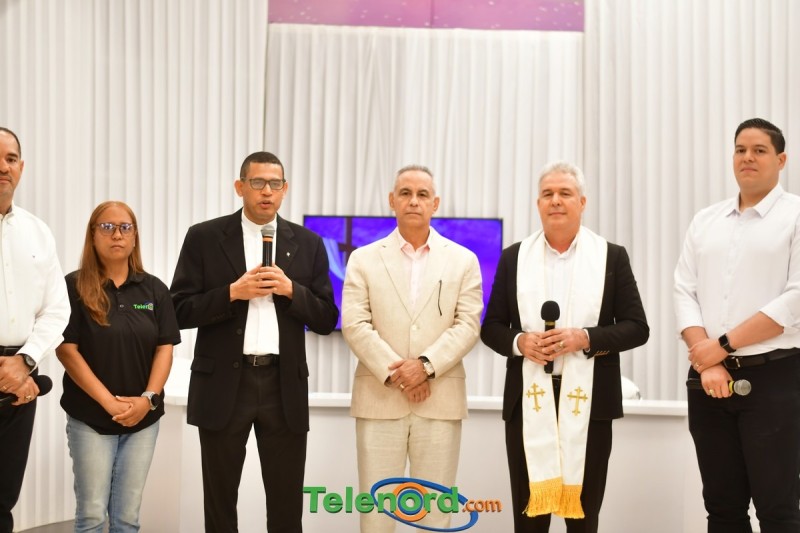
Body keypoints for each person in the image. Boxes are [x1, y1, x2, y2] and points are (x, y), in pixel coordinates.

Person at [170, 151, 338, 533]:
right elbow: (177, 311)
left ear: (285, 189)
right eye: (258, 182)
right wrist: (232, 292)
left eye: (275, 184)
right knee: (219, 503)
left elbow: (327, 318)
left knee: (286, 506)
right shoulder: (204, 237)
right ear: (240, 186)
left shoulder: (309, 243)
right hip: (224, 385)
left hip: (283, 386)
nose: (267, 192)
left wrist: (292, 291)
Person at [481, 161, 649, 533]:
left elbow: (637, 328)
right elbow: (491, 328)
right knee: (529, 520)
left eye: (565, 193)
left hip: (591, 402)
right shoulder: (514, 257)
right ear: (538, 203)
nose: (555, 200)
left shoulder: (610, 257)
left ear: (582, 202)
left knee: (583, 520)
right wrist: (520, 342)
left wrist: (585, 338)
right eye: (548, 194)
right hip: (527, 400)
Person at [674, 118, 800, 532]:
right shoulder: (706, 220)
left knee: (778, 511)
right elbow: (683, 290)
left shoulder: (795, 215)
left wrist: (722, 345)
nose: (748, 157)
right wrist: (708, 360)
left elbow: (795, 299)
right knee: (722, 510)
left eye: (759, 150)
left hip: (775, 379)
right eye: (740, 149)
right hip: (708, 379)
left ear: (781, 160)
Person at [341, 165, 483, 533]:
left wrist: (425, 366)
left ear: (435, 203)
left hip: (439, 399)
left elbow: (468, 324)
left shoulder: (463, 260)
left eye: (422, 194)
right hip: (380, 398)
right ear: (392, 201)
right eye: (405, 193)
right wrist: (401, 374)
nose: (414, 201)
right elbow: (355, 323)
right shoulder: (363, 258)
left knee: (436, 515)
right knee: (376, 515)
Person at [55, 201, 180, 532]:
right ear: (93, 235)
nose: (117, 235)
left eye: (125, 227)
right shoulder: (72, 287)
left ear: (135, 236)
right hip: (91, 418)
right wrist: (109, 402)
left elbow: (165, 348)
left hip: (143, 419)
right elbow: (67, 351)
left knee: (127, 518)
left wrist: (148, 399)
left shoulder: (154, 289)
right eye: (107, 227)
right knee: (92, 515)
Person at [0, 127, 70, 533]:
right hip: (13, 376)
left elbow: (57, 309)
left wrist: (25, 362)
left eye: (11, 159)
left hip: (20, 378)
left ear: (21, 168)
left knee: (4, 496)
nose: (3, 166)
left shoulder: (38, 232)